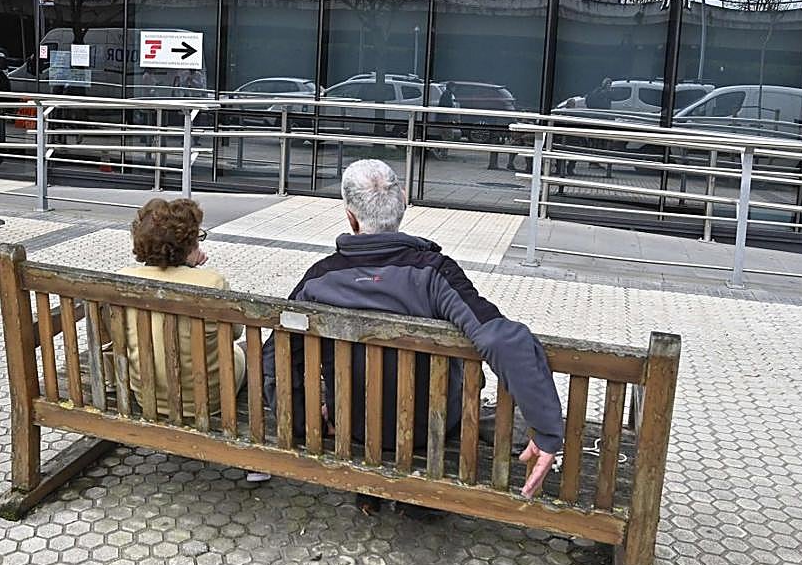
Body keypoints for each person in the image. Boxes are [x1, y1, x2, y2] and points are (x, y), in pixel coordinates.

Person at [263, 159, 563, 515]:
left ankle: (374, 483)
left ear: (351, 217)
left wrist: (305, 422)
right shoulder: (434, 273)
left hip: (354, 425)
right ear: (403, 202)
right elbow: (501, 339)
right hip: (430, 430)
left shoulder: (320, 279)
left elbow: (277, 355)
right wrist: (546, 432)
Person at [118, 199, 246, 421]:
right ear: (189, 244)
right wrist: (192, 270)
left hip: (147, 396)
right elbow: (235, 332)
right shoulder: (212, 283)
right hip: (207, 401)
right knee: (244, 349)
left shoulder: (123, 279)